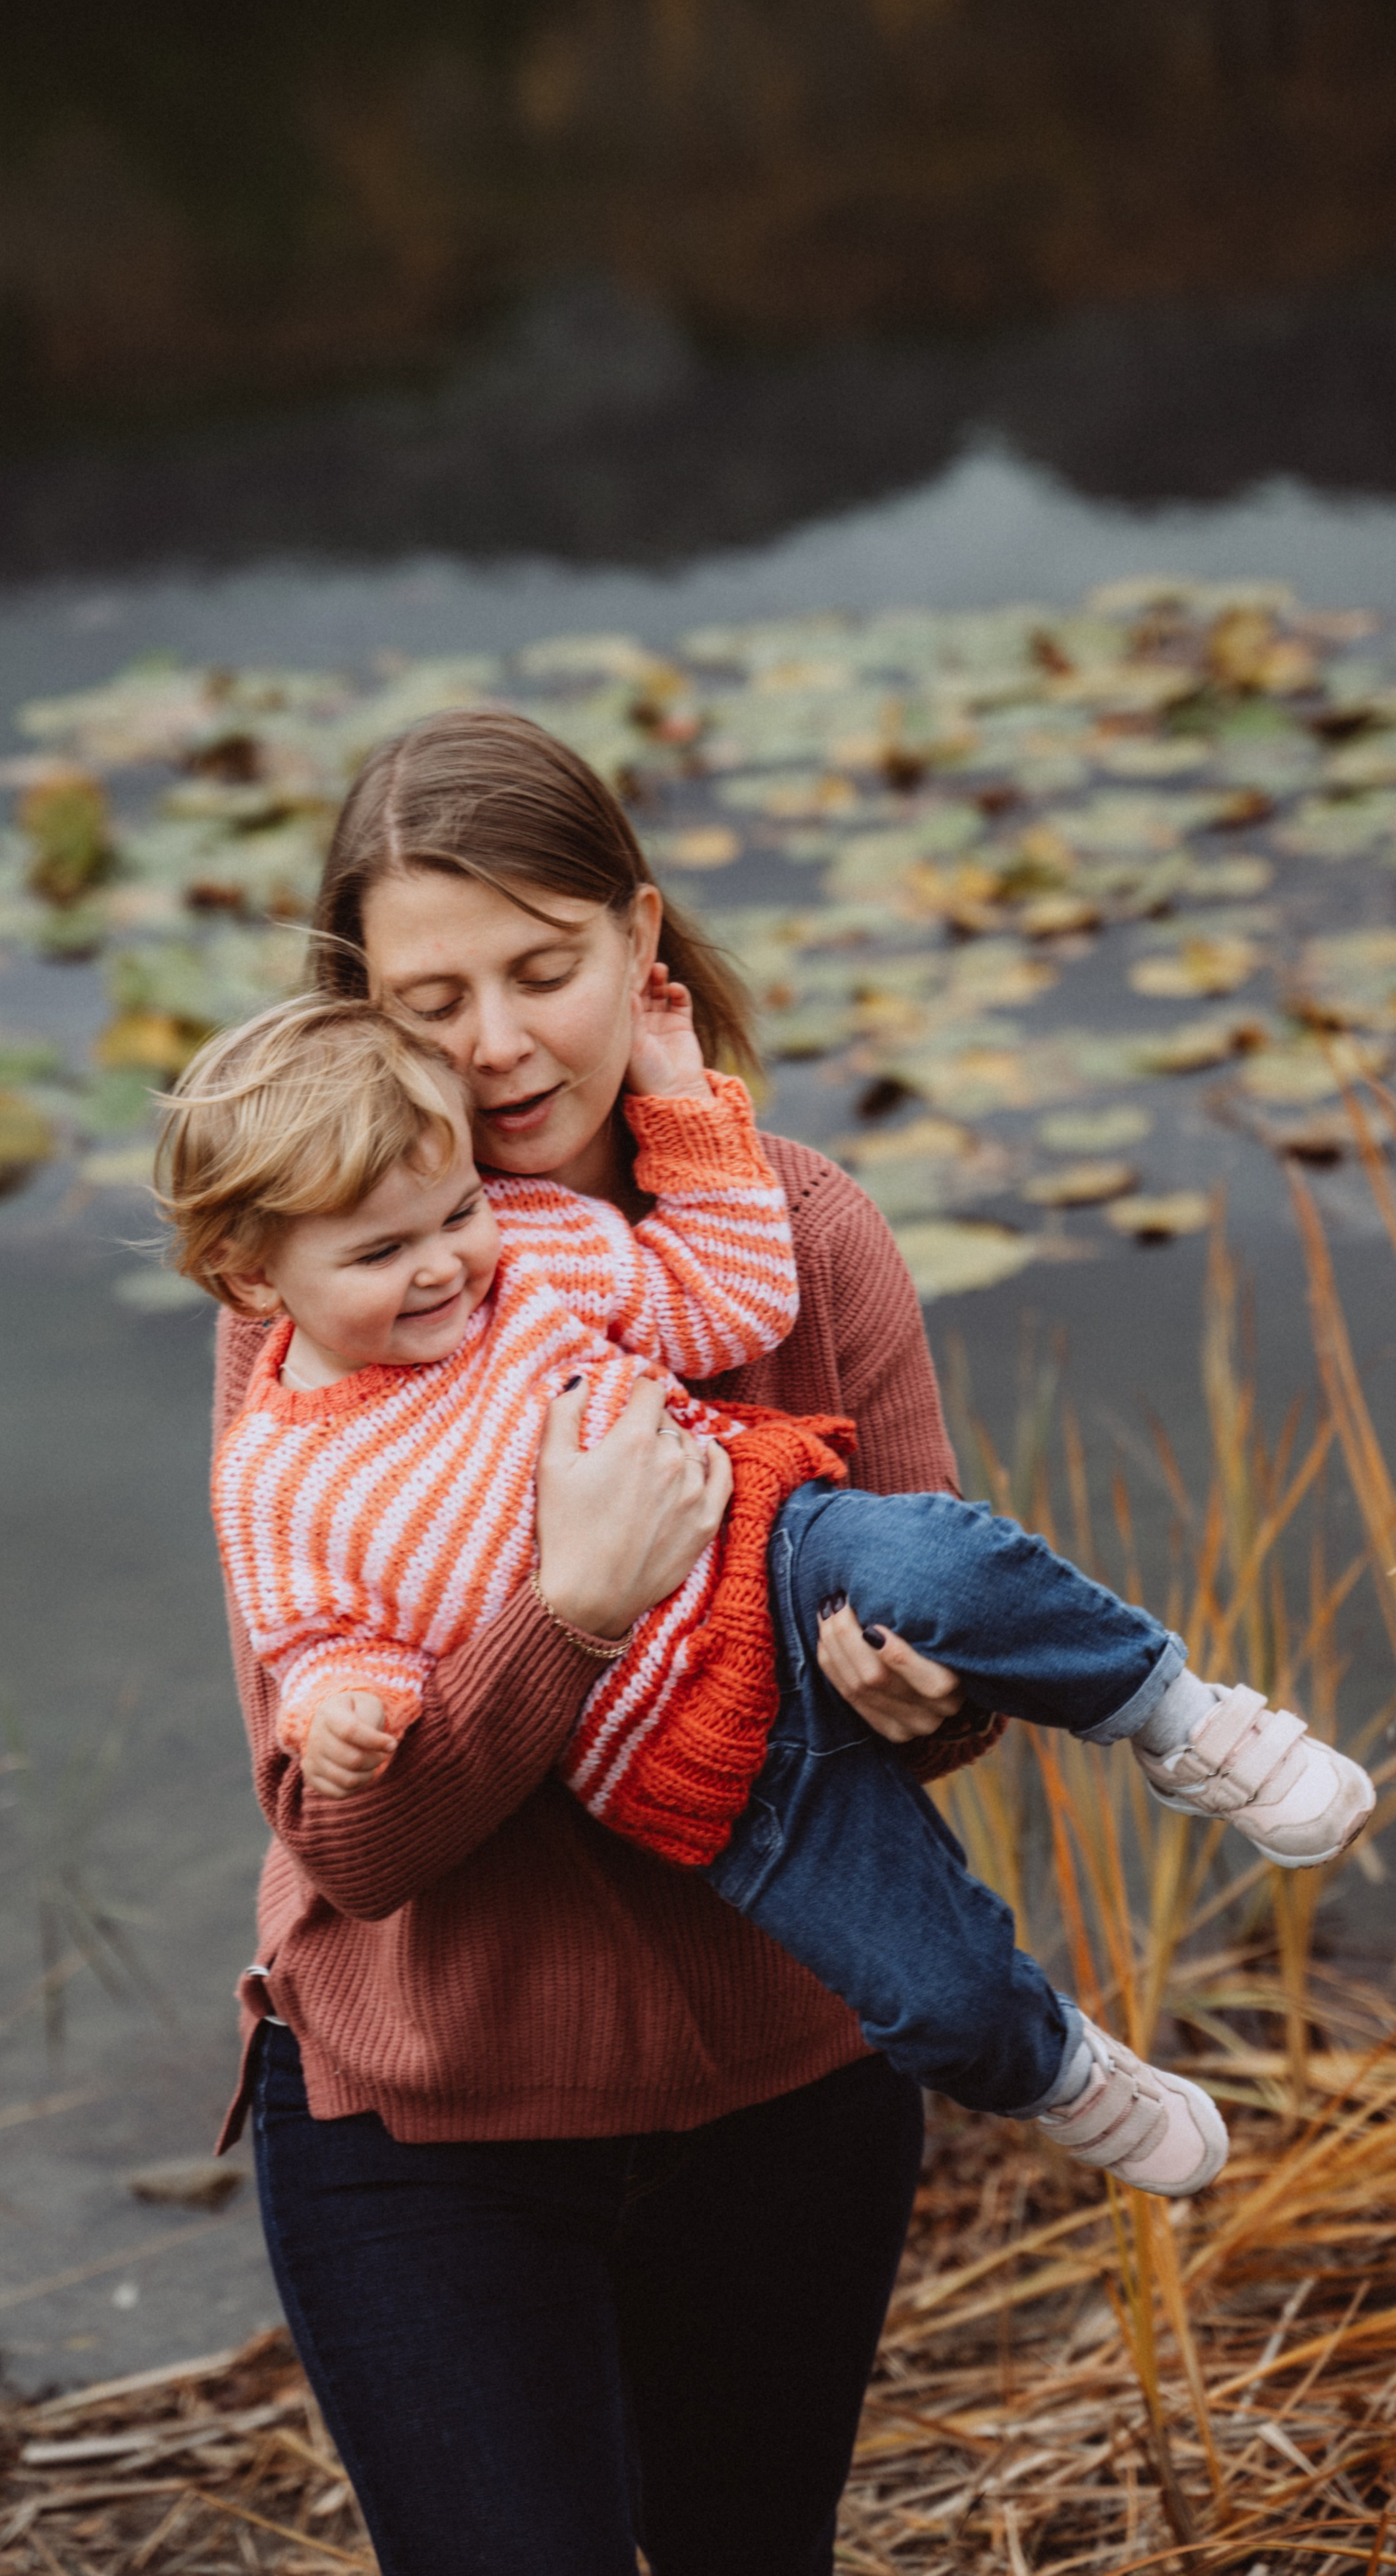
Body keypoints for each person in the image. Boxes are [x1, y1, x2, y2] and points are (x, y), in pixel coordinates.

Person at [180, 710, 1073, 2575]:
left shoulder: (806, 1230)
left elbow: (946, 1683)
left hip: (789, 2091)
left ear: (638, 940)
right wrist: (566, 1622)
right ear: (358, 1001)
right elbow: (353, 1841)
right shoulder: (326, 1289)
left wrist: (927, 1708)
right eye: (433, 996)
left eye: (543, 967)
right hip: (433, 2112)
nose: (499, 1044)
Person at [164, 981, 1367, 2202]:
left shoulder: (530, 1248)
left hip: (780, 1554)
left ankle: (1176, 1716)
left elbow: (725, 1294)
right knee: (931, 1989)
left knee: (945, 1562)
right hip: (686, 1757)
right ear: (251, 1279)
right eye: (382, 1251)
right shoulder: (279, 1477)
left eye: (455, 1211)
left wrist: (681, 1101)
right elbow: (321, 1636)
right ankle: (1055, 2069)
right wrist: (348, 1713)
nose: (444, 1267)